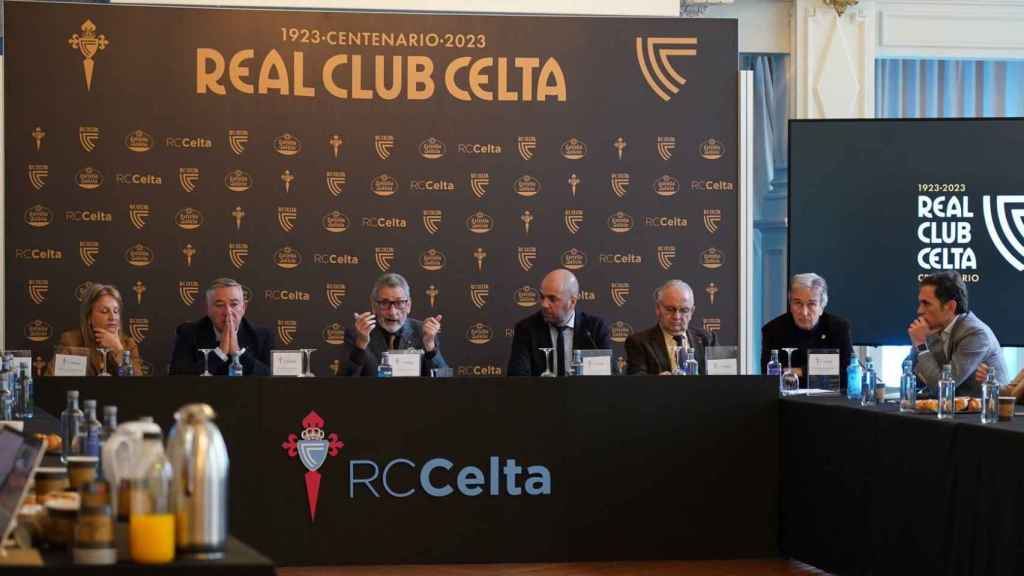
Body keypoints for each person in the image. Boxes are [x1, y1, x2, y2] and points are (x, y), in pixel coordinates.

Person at [909, 271, 1005, 396]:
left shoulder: (976, 334)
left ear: (950, 306)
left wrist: (920, 344)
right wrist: (920, 344)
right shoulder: (933, 329)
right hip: (950, 409)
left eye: (926, 303)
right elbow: (911, 374)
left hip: (984, 412)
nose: (919, 310)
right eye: (920, 303)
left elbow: (942, 387)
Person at [337, 273, 447, 376]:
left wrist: (430, 346)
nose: (392, 312)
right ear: (374, 306)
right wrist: (361, 344)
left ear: (408, 305)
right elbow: (342, 383)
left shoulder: (423, 332)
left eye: (399, 303)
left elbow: (444, 381)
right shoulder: (356, 335)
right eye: (384, 303)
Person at [507, 268, 611, 376]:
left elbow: (609, 379)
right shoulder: (526, 329)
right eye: (542, 297)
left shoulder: (594, 329)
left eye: (552, 299)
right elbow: (517, 378)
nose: (544, 304)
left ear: (572, 302)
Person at [169, 278, 274, 375]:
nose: (228, 312)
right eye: (219, 305)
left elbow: (272, 378)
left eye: (234, 304)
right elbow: (178, 377)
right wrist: (220, 353)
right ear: (207, 309)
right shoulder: (188, 333)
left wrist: (238, 353)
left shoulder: (262, 336)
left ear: (243, 308)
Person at [761, 273, 852, 382]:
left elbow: (848, 374)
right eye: (798, 303)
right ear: (790, 304)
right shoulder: (773, 330)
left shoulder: (838, 328)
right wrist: (824, 371)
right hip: (786, 397)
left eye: (811, 304)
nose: (804, 312)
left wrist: (801, 371)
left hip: (829, 397)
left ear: (821, 307)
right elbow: (769, 377)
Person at [46, 283, 143, 376]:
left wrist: (117, 348)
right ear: (89, 318)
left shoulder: (129, 344)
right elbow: (52, 382)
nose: (112, 317)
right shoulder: (71, 341)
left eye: (116, 311)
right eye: (104, 311)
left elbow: (139, 385)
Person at [625, 280, 715, 375]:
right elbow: (636, 379)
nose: (677, 316)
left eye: (684, 310)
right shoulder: (639, 342)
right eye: (670, 309)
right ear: (658, 309)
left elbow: (721, 375)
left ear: (692, 312)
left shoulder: (707, 339)